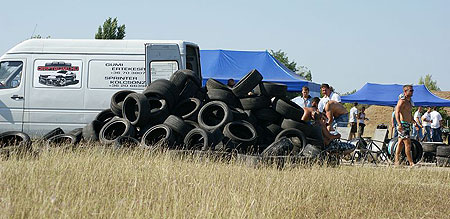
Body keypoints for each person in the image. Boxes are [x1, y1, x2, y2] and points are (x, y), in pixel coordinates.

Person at [394, 85, 415, 167]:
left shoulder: (409, 102)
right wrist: (399, 124)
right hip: (402, 124)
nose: (412, 92)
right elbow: (397, 112)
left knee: (400, 143)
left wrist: (414, 121)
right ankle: (411, 163)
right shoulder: (402, 101)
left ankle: (396, 161)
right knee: (408, 143)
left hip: (407, 124)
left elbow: (409, 114)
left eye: (412, 90)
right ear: (405, 92)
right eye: (410, 90)